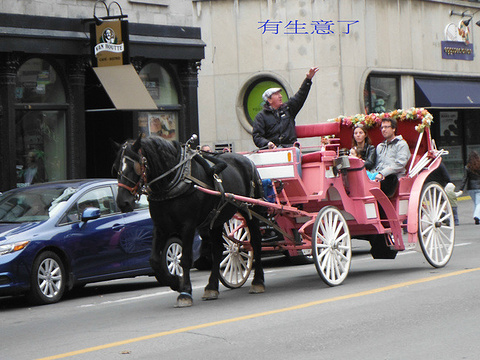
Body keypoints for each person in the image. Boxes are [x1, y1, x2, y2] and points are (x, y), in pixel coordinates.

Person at [252, 67, 319, 149]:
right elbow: (257, 136)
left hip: (291, 149)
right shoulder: (261, 117)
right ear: (269, 100)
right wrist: (268, 144)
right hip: (272, 152)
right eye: (276, 94)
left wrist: (308, 80)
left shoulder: (288, 109)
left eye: (280, 94)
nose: (280, 96)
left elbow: (300, 96)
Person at [373, 117, 411, 197]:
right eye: (382, 127)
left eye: (386, 127)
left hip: (393, 178)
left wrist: (382, 173)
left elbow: (400, 164)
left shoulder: (401, 144)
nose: (383, 130)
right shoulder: (380, 146)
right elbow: (376, 164)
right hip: (380, 177)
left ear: (394, 129)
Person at [460, 151, 480, 225]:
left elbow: (464, 178)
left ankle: (477, 219)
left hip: (470, 188)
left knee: (476, 203)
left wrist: (461, 189)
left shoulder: (468, 167)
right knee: (479, 203)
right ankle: (476, 216)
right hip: (479, 187)